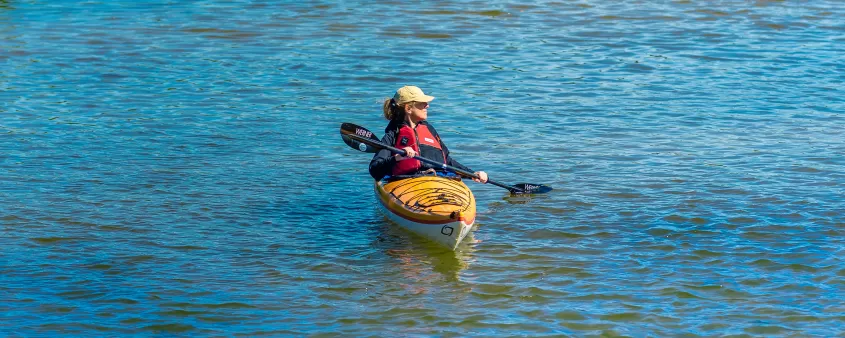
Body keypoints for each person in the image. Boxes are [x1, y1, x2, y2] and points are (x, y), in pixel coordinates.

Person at [369, 85, 488, 184]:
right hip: (407, 182)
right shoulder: (393, 134)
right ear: (408, 108)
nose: (427, 105)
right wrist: (397, 157)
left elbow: (447, 161)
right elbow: (375, 169)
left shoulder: (429, 129)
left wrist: (472, 174)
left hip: (439, 181)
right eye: (422, 103)